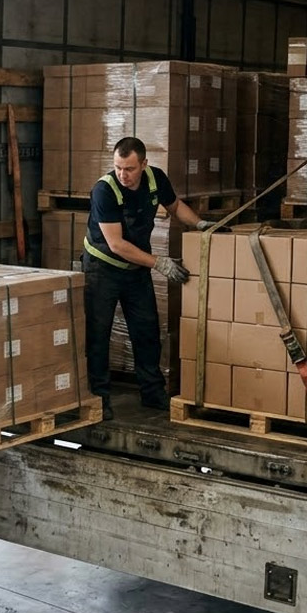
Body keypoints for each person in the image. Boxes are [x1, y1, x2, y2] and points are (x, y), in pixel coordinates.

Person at [83, 136, 213, 420]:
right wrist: (160, 263)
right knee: (98, 335)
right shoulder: (104, 191)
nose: (123, 175)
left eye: (129, 169)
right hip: (103, 269)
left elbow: (175, 206)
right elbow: (116, 244)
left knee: (147, 330)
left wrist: (201, 224)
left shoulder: (155, 179)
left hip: (135, 269)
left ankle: (153, 394)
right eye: (118, 167)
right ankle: (100, 399)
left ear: (144, 164)